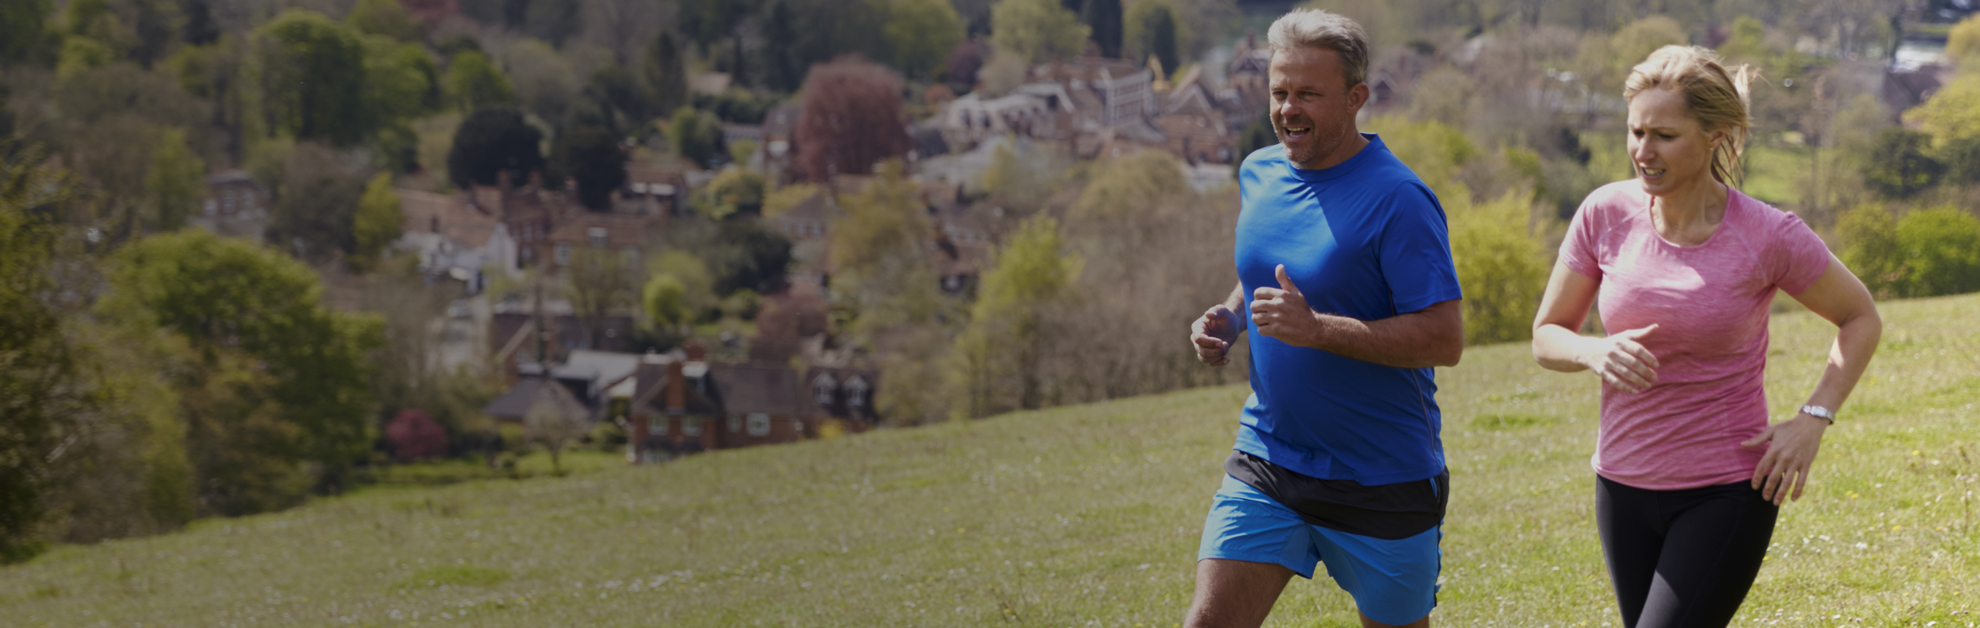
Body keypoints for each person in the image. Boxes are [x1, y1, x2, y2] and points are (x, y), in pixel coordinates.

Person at [1530, 45, 1882, 628]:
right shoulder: (1604, 213)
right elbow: (1546, 336)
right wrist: (1594, 350)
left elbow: (1861, 316)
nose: (1644, 151)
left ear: (1717, 134)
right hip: (1621, 483)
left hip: (1726, 488)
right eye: (1635, 131)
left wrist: (1814, 417)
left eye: (1664, 135)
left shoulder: (1768, 235)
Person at [1184, 9, 1464, 628]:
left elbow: (1445, 338)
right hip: (1270, 456)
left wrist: (1318, 330)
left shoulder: (1400, 200)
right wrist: (1229, 317)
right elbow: (1268, 269)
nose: (1288, 109)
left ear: (1356, 97)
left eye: (1308, 93)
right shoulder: (1259, 171)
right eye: (1280, 92)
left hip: (1383, 476)